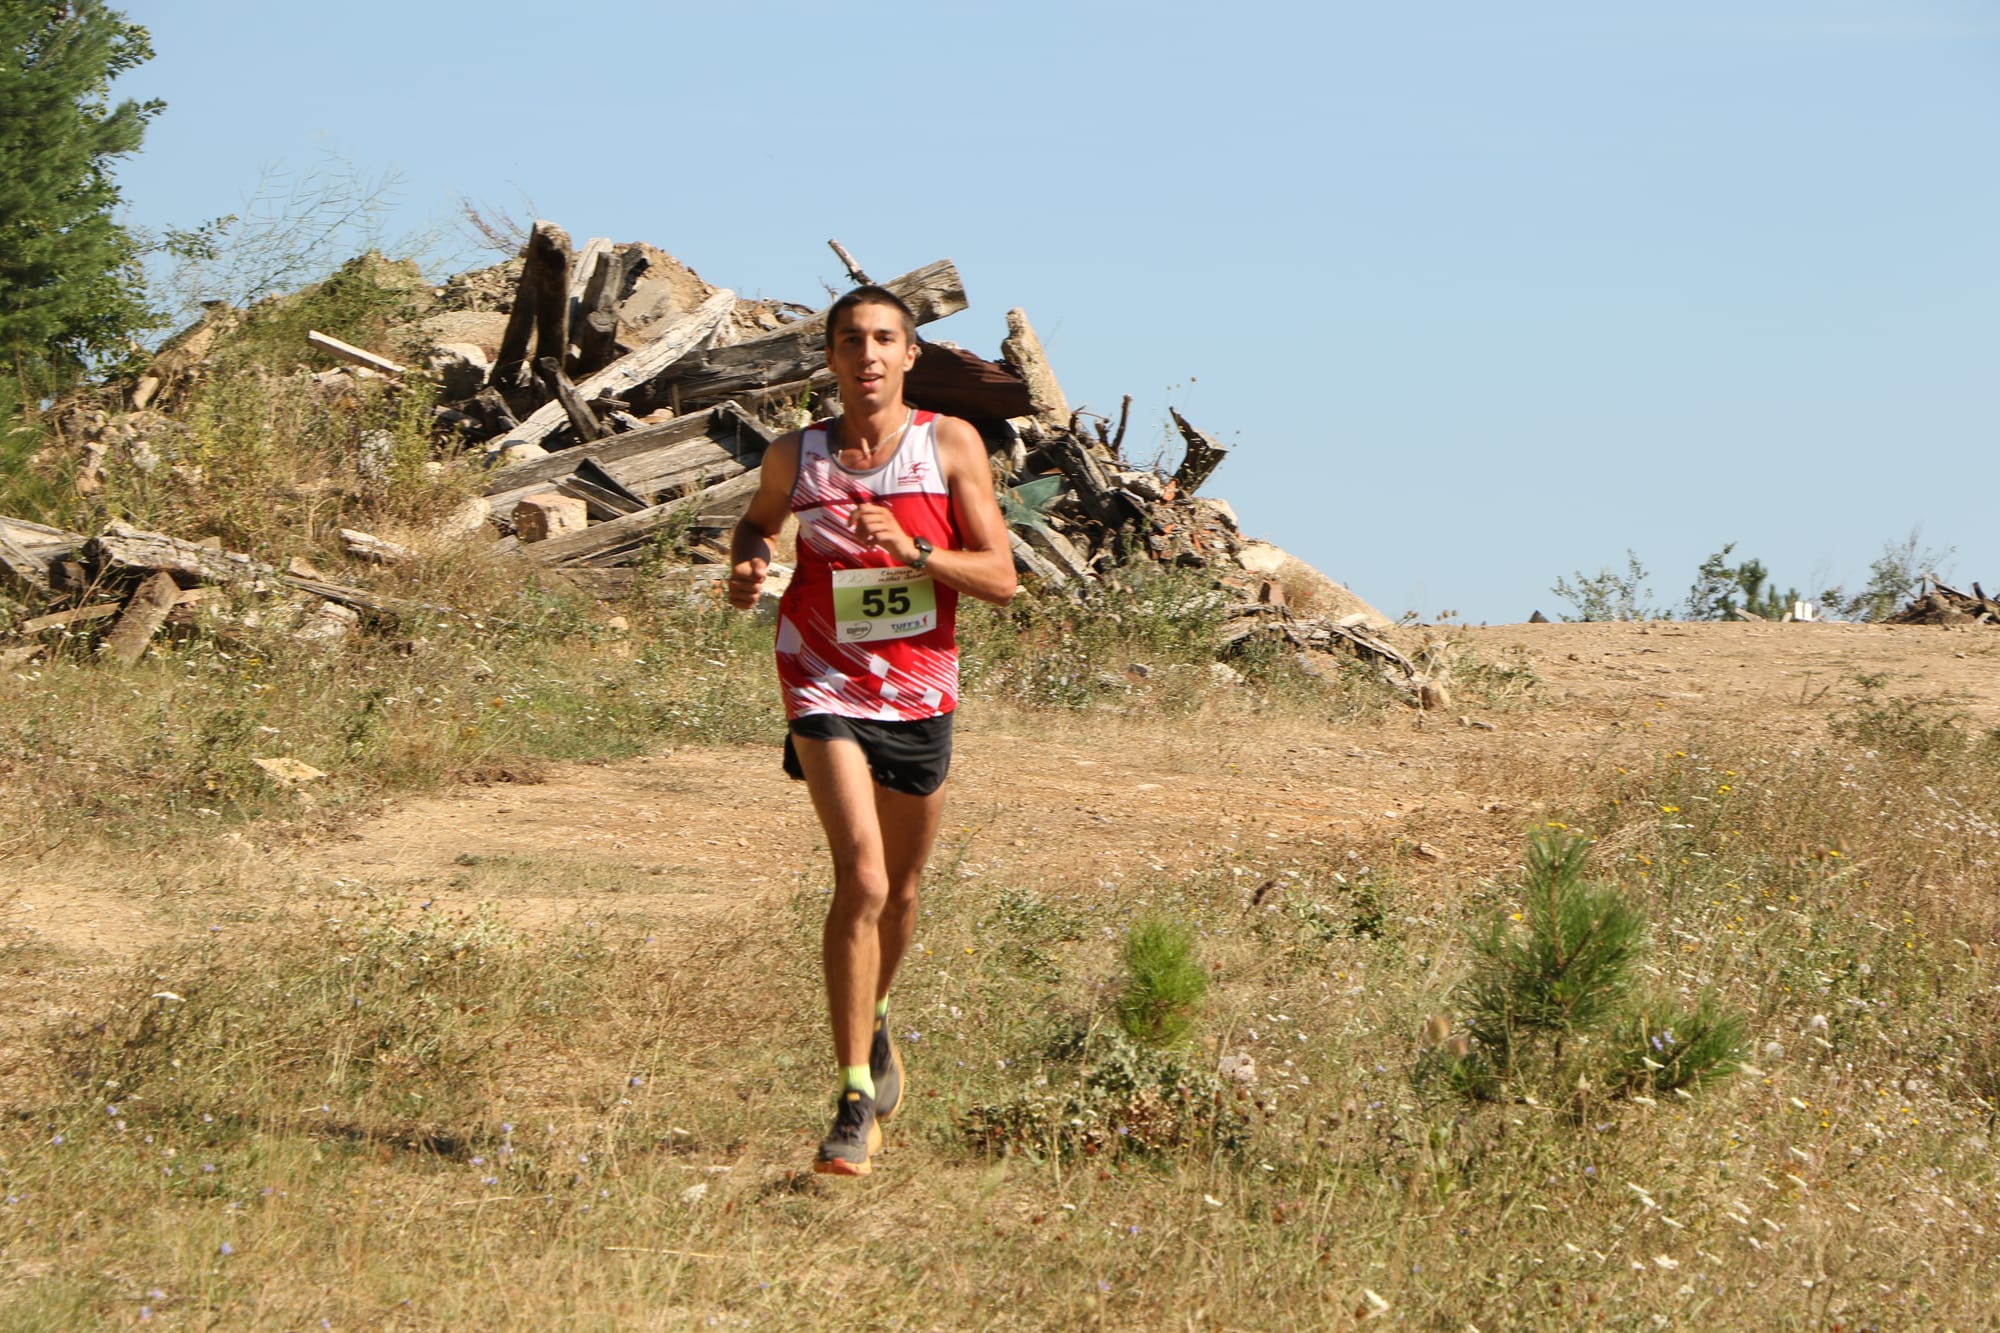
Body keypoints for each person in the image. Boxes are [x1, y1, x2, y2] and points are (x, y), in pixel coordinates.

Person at [727, 285, 1017, 1176]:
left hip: (920, 689)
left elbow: (1002, 577)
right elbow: (758, 522)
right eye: (851, 340)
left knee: (900, 890)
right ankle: (854, 1095)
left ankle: (876, 1011)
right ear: (830, 357)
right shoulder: (796, 454)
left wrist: (913, 551)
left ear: (909, 355)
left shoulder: (950, 445)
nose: (868, 355)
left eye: (885, 338)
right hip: (820, 675)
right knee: (859, 873)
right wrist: (749, 561)